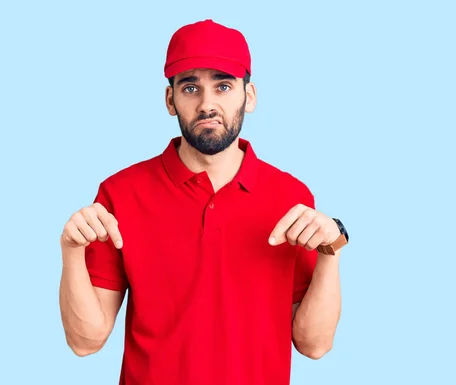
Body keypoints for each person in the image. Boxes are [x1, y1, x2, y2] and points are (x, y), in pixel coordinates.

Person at [58, 19, 350, 385]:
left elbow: (315, 344)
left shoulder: (291, 196)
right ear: (170, 100)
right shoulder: (120, 194)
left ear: (250, 96)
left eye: (223, 86)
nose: (207, 104)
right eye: (191, 87)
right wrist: (71, 251)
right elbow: (85, 342)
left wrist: (331, 250)